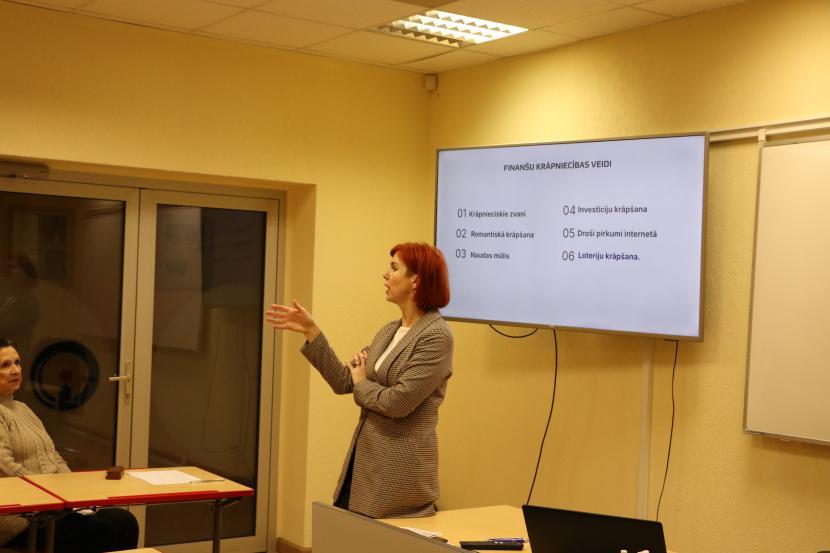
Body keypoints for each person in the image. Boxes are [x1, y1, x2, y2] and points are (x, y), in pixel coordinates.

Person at [265, 242, 453, 518]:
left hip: (398, 476)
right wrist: (311, 331)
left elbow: (397, 402)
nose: (385, 275)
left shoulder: (436, 336)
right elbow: (345, 380)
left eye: (394, 268)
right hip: (364, 464)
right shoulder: (389, 331)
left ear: (416, 280)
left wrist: (363, 383)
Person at [0, 338, 139, 552]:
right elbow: (7, 468)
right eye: (5, 365)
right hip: (22, 519)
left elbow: (53, 456)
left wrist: (73, 493)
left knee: (125, 521)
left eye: (17, 362)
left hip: (52, 507)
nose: (15, 370)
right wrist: (53, 497)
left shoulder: (22, 408)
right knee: (101, 531)